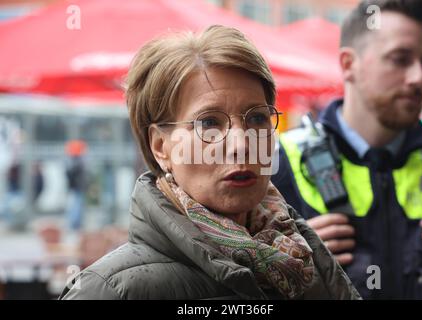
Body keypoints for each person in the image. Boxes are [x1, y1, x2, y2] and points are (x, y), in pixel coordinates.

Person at [60, 25, 360, 300]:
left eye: (257, 117)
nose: (242, 144)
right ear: (160, 146)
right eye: (208, 124)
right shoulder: (107, 291)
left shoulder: (305, 260)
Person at [273, 0, 422, 299]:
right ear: (348, 64)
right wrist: (278, 269)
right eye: (400, 59)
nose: (419, 78)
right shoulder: (280, 166)